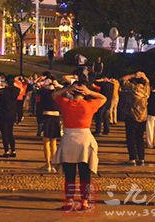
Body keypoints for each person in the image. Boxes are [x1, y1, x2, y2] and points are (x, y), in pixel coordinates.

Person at [52, 82, 106, 211]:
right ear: (84, 94)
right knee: (85, 175)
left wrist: (67, 89)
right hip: (85, 140)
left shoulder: (66, 104)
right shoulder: (89, 105)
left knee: (69, 174)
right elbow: (104, 98)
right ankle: (85, 201)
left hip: (69, 139)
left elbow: (54, 94)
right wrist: (90, 92)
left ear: (72, 92)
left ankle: (69, 200)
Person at [121, 72, 150, 166]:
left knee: (131, 138)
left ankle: (132, 158)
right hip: (143, 116)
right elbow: (148, 82)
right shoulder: (146, 90)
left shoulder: (133, 88)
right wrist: (144, 76)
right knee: (140, 138)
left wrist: (133, 75)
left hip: (132, 115)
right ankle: (141, 158)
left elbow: (122, 80)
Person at [0, 75, 20, 158]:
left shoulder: (3, 91)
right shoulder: (16, 90)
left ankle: (6, 151)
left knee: (4, 133)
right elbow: (19, 88)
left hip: (3, 112)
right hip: (12, 113)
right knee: (10, 132)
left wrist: (1, 83)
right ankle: (13, 150)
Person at [40, 84, 61, 172]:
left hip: (47, 117)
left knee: (46, 142)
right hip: (56, 117)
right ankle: (53, 164)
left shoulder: (44, 93)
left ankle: (48, 164)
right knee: (53, 142)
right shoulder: (57, 94)